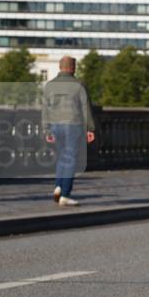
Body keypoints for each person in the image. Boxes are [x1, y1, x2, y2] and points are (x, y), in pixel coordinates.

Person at [42, 56, 95, 206]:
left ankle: (58, 185)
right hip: (73, 125)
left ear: (60, 67)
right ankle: (65, 193)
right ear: (72, 67)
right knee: (70, 158)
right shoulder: (79, 85)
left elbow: (45, 110)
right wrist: (90, 128)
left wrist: (46, 129)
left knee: (61, 157)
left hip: (55, 125)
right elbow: (86, 109)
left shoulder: (49, 85)